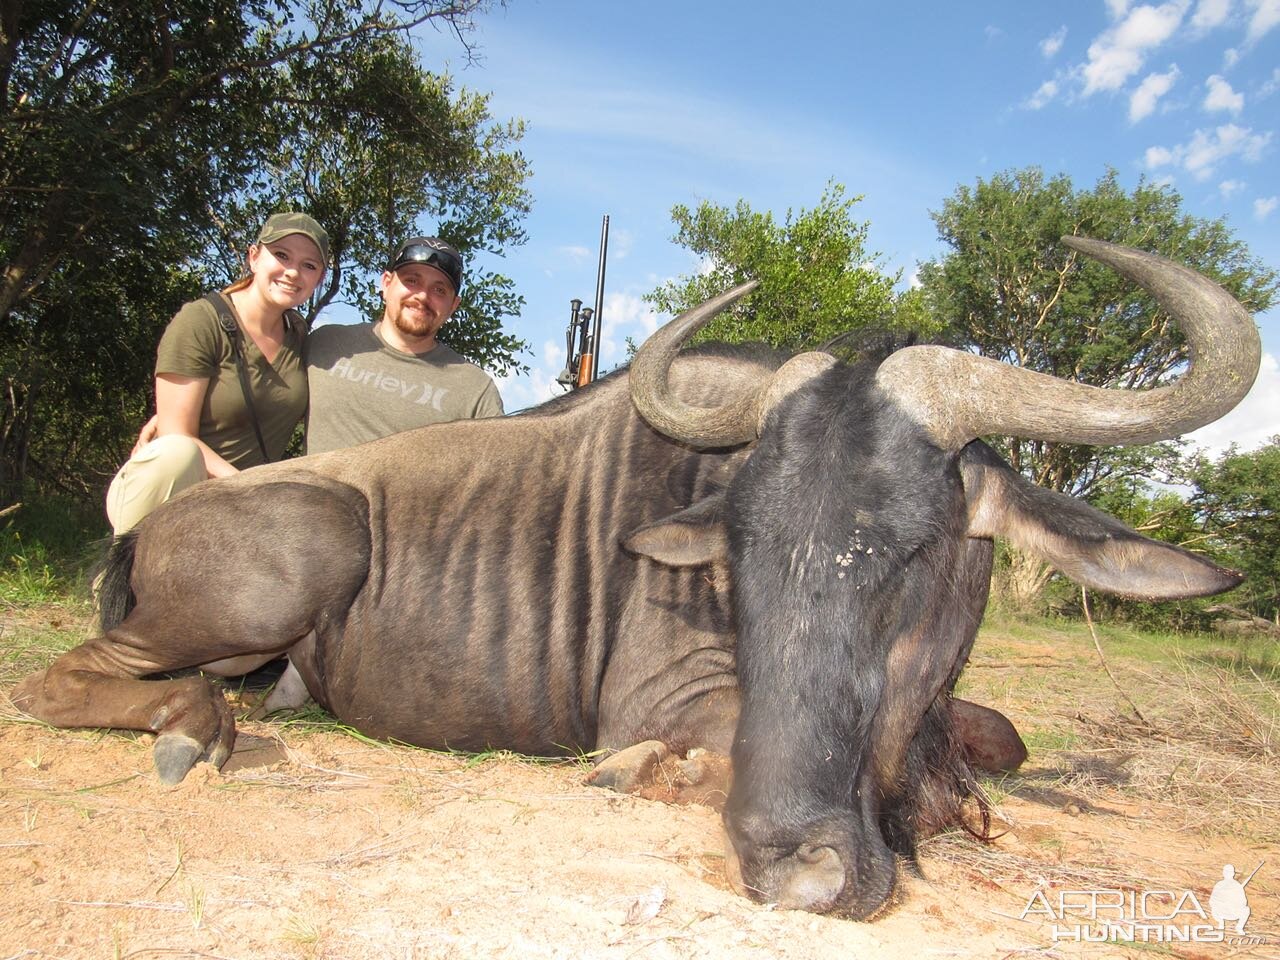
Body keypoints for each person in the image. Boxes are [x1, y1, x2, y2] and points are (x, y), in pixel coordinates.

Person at [108, 212, 329, 534]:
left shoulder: (300, 335)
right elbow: (175, 434)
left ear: (319, 278)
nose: (293, 271)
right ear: (254, 257)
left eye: (309, 265)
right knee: (175, 453)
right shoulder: (201, 320)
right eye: (281, 255)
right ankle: (120, 571)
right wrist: (249, 487)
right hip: (178, 491)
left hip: (245, 506)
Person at [304, 236, 503, 455]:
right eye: (411, 281)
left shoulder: (475, 390)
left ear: (453, 305)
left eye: (439, 290)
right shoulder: (325, 343)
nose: (422, 296)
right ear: (386, 283)